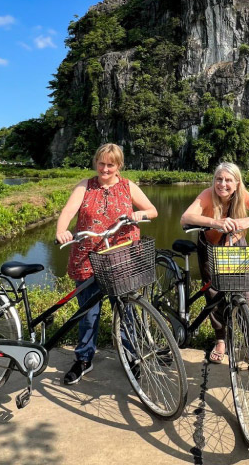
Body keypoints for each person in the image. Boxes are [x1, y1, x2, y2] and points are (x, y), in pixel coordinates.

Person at [55, 143, 158, 385]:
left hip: (121, 257)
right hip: (87, 256)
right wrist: (62, 230)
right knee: (88, 314)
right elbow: (68, 211)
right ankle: (83, 359)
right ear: (96, 163)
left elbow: (152, 211)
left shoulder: (127, 186)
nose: (105, 168)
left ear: (119, 166)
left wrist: (138, 215)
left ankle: (131, 356)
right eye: (101, 163)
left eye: (110, 164)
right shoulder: (85, 185)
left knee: (126, 310)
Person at [180, 162, 249, 364]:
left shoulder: (243, 196)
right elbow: (185, 218)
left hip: (236, 244)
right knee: (213, 293)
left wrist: (248, 221)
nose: (222, 184)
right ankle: (220, 339)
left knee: (245, 292)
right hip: (210, 246)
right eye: (219, 179)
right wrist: (216, 223)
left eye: (228, 180)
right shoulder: (207, 195)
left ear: (237, 182)